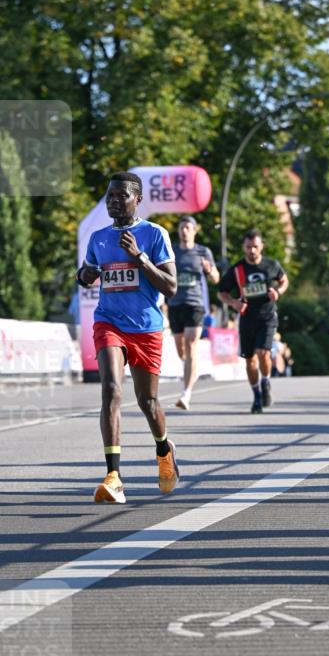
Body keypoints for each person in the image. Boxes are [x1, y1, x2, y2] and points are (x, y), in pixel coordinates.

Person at [77, 171, 179, 503]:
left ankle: (164, 450)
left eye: (121, 195)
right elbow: (85, 275)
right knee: (110, 389)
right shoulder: (98, 238)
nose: (113, 201)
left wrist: (140, 257)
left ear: (138, 199)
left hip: (146, 327)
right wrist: (86, 274)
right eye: (109, 196)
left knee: (148, 402)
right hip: (109, 321)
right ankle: (114, 476)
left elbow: (171, 286)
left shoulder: (154, 234)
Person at [218, 228, 288, 413]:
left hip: (267, 316)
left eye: (255, 247)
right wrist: (233, 302)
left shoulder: (271, 265)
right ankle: (256, 394)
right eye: (249, 247)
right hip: (247, 318)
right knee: (249, 360)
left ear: (261, 246)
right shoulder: (237, 269)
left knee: (263, 352)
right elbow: (221, 292)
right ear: (244, 247)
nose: (252, 251)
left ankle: (266, 381)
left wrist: (278, 292)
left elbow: (284, 280)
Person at [167, 215, 219, 410]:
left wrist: (209, 269)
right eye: (182, 227)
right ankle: (191, 368)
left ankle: (186, 394)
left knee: (190, 345)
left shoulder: (203, 252)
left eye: (188, 227)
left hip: (195, 304)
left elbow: (215, 278)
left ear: (195, 231)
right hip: (175, 304)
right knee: (181, 350)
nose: (185, 230)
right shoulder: (171, 251)